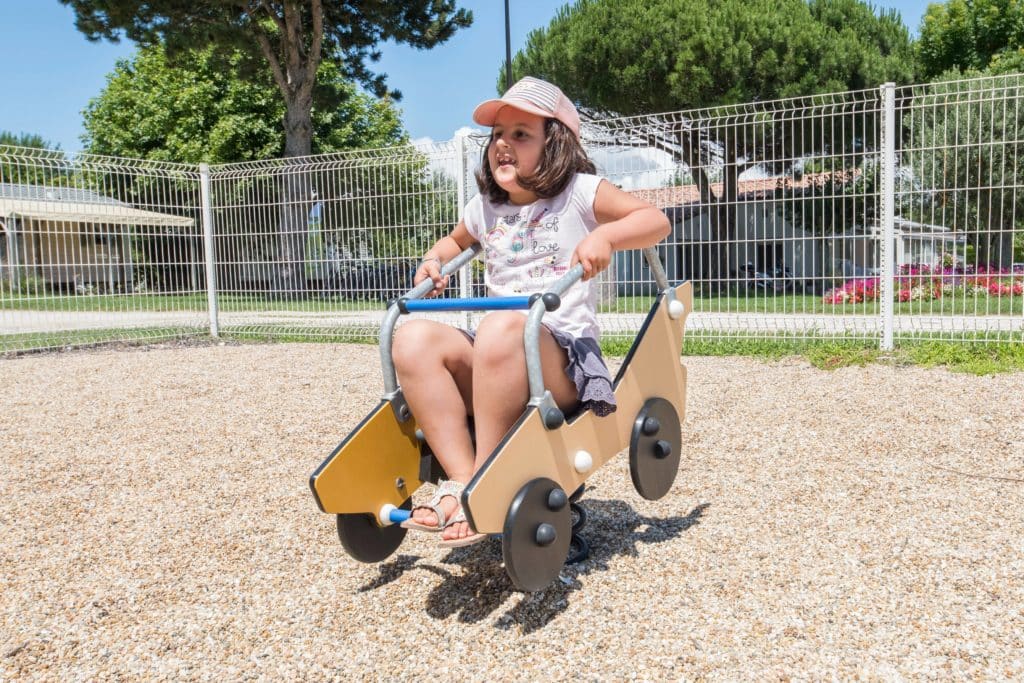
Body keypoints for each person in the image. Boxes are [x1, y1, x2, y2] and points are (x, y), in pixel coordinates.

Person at [392, 76, 670, 547]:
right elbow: (454, 241)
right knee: (411, 338)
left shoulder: (580, 192)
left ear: (555, 144)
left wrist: (604, 236)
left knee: (504, 327)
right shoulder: (485, 208)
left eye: (521, 134)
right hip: (497, 355)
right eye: (498, 135)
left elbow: (654, 220)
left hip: (560, 361)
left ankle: (484, 482)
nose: (503, 144)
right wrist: (434, 259)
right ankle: (462, 481)